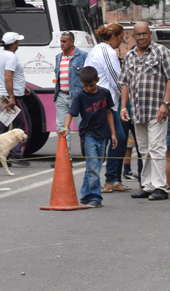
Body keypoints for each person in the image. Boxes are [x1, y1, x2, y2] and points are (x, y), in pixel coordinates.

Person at [120, 21, 170, 201]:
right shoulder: (129, 55)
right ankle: (147, 186)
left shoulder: (161, 52)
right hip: (138, 111)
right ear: (133, 36)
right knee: (143, 149)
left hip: (156, 110)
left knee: (157, 148)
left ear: (150, 34)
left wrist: (165, 103)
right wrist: (123, 106)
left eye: (145, 34)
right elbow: (125, 83)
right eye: (138, 34)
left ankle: (161, 186)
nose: (141, 37)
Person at [60, 66, 116, 207]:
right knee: (92, 166)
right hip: (88, 135)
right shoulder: (80, 96)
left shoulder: (105, 93)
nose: (89, 88)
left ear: (97, 80)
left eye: (91, 85)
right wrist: (66, 127)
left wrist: (113, 133)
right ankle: (96, 197)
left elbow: (109, 113)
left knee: (96, 166)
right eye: (85, 86)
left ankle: (85, 195)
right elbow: (70, 113)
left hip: (103, 135)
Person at [85, 23, 125, 188]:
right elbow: (117, 80)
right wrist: (127, 96)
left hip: (98, 103)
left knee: (107, 141)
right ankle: (108, 179)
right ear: (114, 36)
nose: (121, 42)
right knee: (116, 140)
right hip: (105, 105)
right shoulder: (107, 52)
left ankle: (109, 179)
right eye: (122, 38)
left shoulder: (95, 49)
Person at [0, 31, 32, 168]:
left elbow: (11, 77)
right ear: (14, 43)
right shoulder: (12, 57)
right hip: (12, 97)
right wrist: (12, 97)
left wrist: (24, 86)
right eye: (17, 41)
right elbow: (8, 77)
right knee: (22, 126)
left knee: (2, 127)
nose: (18, 44)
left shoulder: (0, 56)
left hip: (0, 95)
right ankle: (17, 154)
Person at [53, 31, 87, 162]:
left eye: (64, 41)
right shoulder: (58, 57)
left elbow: (88, 76)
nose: (61, 44)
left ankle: (89, 155)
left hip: (77, 97)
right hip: (61, 95)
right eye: (61, 41)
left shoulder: (82, 56)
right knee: (61, 128)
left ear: (72, 42)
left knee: (83, 127)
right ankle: (65, 159)